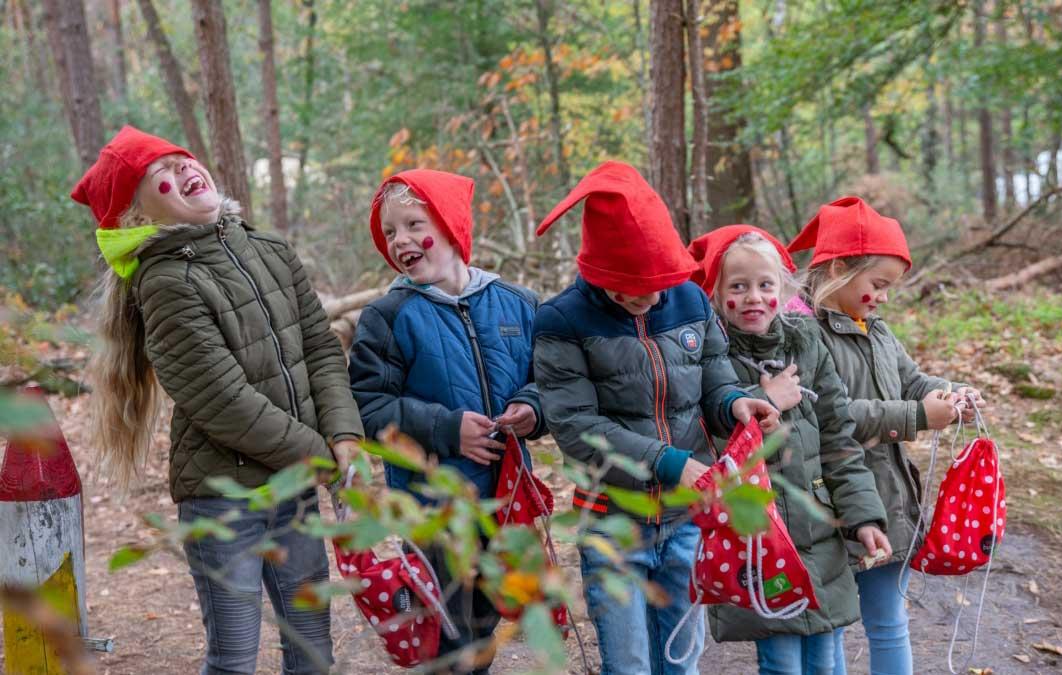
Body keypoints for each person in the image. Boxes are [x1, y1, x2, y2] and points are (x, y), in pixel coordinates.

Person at [73, 125, 363, 674]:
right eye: (160, 178)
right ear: (140, 216)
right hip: (224, 499)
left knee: (312, 649)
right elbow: (219, 397)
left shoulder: (271, 249)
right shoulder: (166, 283)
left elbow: (322, 349)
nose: (181, 172)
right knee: (234, 659)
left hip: (295, 484)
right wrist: (319, 454)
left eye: (181, 161)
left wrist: (344, 435)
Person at [532, 162, 780, 675]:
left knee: (681, 663)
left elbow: (714, 378)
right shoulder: (562, 321)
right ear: (601, 277)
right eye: (634, 291)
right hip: (612, 525)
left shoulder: (688, 298)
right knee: (629, 666)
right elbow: (577, 427)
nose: (651, 298)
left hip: (688, 518)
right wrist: (668, 462)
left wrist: (736, 403)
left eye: (659, 285)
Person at [348, 169, 544, 674]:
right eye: (390, 232)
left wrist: (531, 408)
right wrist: (445, 427)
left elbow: (550, 378)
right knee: (443, 632)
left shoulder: (516, 304)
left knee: (483, 621)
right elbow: (368, 409)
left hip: (503, 499)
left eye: (414, 224)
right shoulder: (388, 317)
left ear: (453, 226)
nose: (401, 240)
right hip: (429, 504)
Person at [788, 197, 987, 675]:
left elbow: (912, 381)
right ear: (837, 268)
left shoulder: (877, 331)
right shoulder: (802, 332)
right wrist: (917, 415)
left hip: (887, 500)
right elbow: (827, 413)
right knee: (829, 626)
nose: (881, 297)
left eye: (888, 289)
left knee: (888, 620)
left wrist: (948, 392)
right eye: (876, 284)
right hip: (829, 506)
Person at [688, 225, 889, 675]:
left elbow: (840, 437)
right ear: (716, 294)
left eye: (765, 285)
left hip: (819, 525)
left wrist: (863, 517)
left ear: (784, 287)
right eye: (738, 287)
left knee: (826, 657)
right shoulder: (708, 358)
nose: (754, 297)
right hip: (756, 538)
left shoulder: (807, 343)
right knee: (780, 661)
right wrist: (765, 404)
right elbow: (711, 441)